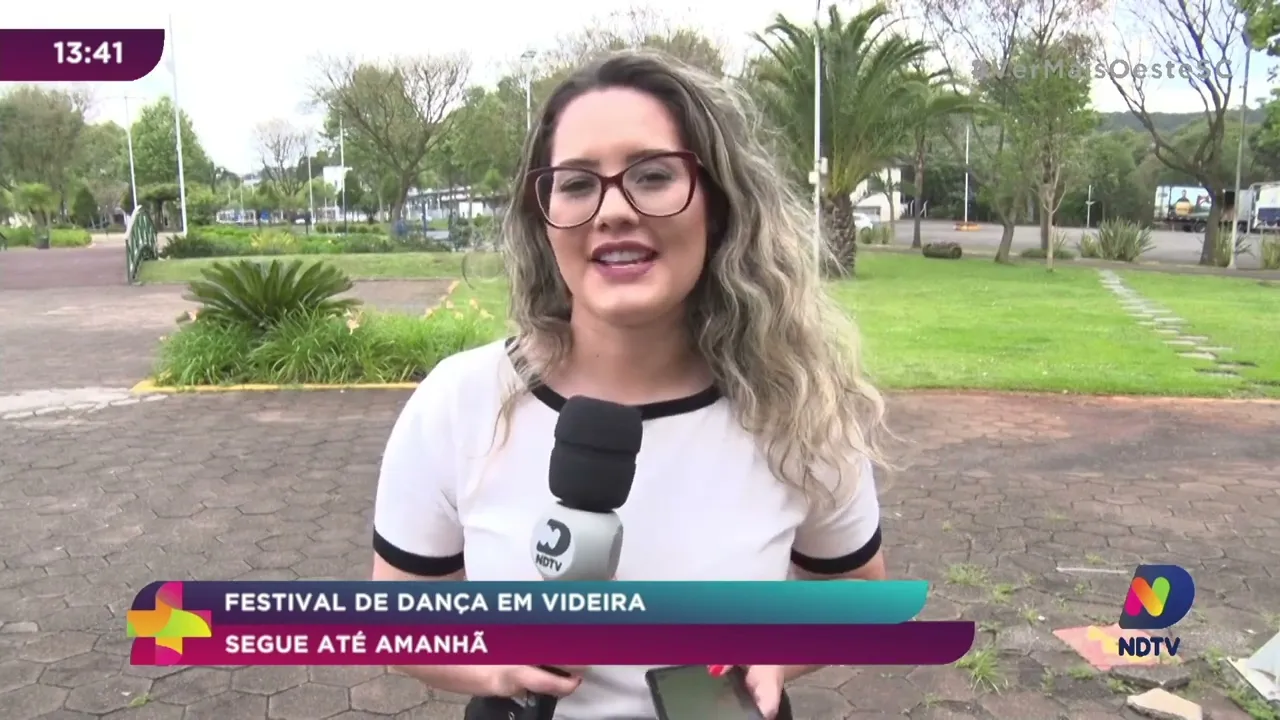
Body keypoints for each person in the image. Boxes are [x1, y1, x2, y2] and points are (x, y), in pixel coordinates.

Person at [371, 49, 890, 720]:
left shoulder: (799, 408)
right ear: (543, 215)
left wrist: (778, 651)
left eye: (652, 175)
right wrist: (492, 662)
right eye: (577, 183)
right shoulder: (460, 402)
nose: (613, 211)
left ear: (718, 203)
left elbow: (858, 596)